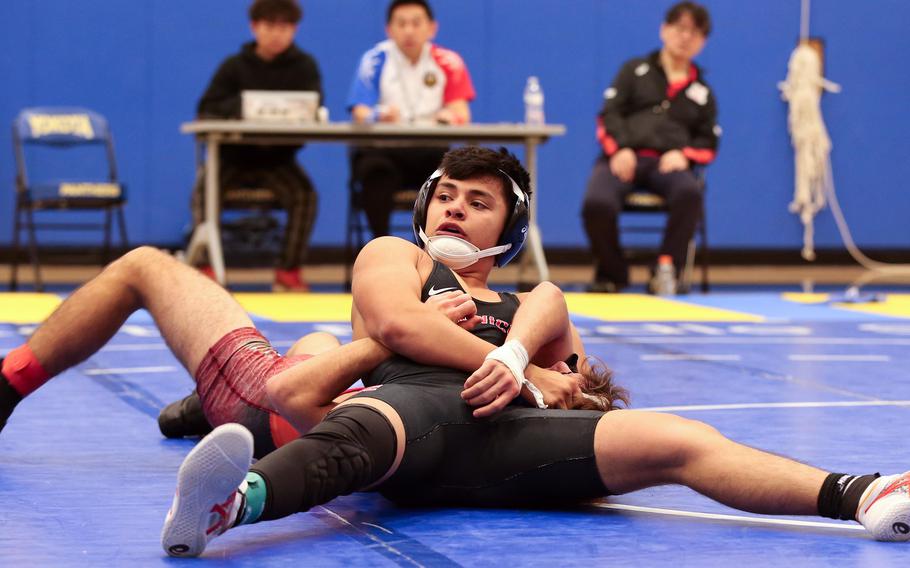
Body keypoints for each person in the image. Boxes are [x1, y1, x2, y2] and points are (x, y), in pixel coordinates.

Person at [160, 146, 909, 557]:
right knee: (361, 430)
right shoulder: (399, 255)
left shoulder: (532, 305)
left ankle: (861, 494)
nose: (454, 206)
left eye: (477, 201)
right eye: (446, 193)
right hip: (410, 412)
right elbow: (396, 329)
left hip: (506, 439)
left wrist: (526, 369)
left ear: (506, 235)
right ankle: (230, 506)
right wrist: (515, 369)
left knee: (679, 437)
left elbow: (578, 390)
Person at [581, 1, 719, 293]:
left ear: (703, 42)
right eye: (680, 28)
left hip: (668, 165)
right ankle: (613, 272)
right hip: (622, 158)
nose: (685, 37)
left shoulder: (703, 92)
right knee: (597, 203)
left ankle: (665, 270)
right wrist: (619, 149)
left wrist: (684, 155)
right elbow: (609, 115)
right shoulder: (634, 70)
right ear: (664, 30)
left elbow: (709, 143)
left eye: (695, 33)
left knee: (689, 193)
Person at [193, 0, 321, 291]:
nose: (277, 33)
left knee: (305, 195)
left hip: (277, 161)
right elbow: (206, 109)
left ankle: (288, 271)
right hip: (232, 159)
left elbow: (314, 108)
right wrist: (244, 106)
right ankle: (206, 265)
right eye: (269, 26)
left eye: (284, 26)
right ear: (254, 27)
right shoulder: (233, 66)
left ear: (294, 29)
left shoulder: (305, 67)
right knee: (203, 191)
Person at [348, 0, 475, 237]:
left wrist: (449, 117)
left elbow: (462, 113)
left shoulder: (449, 61)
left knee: (449, 176)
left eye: (416, 23)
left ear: (431, 28)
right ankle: (381, 248)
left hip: (429, 151)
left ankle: (436, 250)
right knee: (374, 173)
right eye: (401, 23)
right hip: (384, 151)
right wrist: (379, 114)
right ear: (389, 29)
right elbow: (360, 112)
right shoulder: (374, 60)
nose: (409, 30)